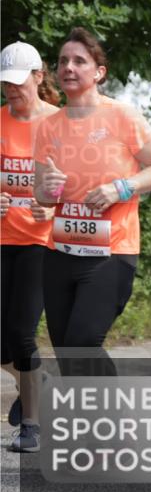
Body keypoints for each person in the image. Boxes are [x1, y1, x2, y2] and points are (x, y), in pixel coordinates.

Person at [34, 28, 151, 378]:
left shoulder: (122, 116)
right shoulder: (48, 127)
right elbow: (41, 194)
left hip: (112, 252)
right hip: (60, 251)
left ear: (99, 72)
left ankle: (116, 408)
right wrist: (47, 189)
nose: (69, 67)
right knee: (68, 356)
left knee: (82, 342)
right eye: (63, 61)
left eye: (79, 61)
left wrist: (121, 188)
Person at [1, 41, 60, 452]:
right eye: (6, 83)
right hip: (2, 238)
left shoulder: (60, 123)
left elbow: (81, 186)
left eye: (18, 82)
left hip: (41, 242)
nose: (11, 90)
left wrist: (53, 210)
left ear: (39, 77)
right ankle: (37, 381)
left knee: (22, 333)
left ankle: (32, 427)